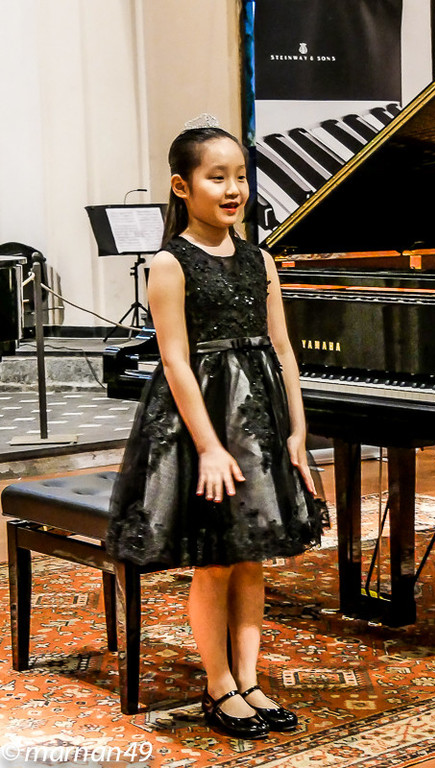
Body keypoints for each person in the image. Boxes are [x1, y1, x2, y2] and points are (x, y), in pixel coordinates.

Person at [106, 119, 327, 739]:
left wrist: (297, 432)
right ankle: (218, 684)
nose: (233, 190)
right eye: (216, 177)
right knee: (215, 562)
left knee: (251, 556)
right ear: (183, 186)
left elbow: (282, 349)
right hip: (200, 423)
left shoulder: (261, 259)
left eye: (240, 177)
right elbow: (175, 360)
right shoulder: (169, 263)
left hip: (259, 419)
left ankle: (250, 681)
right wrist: (207, 446)